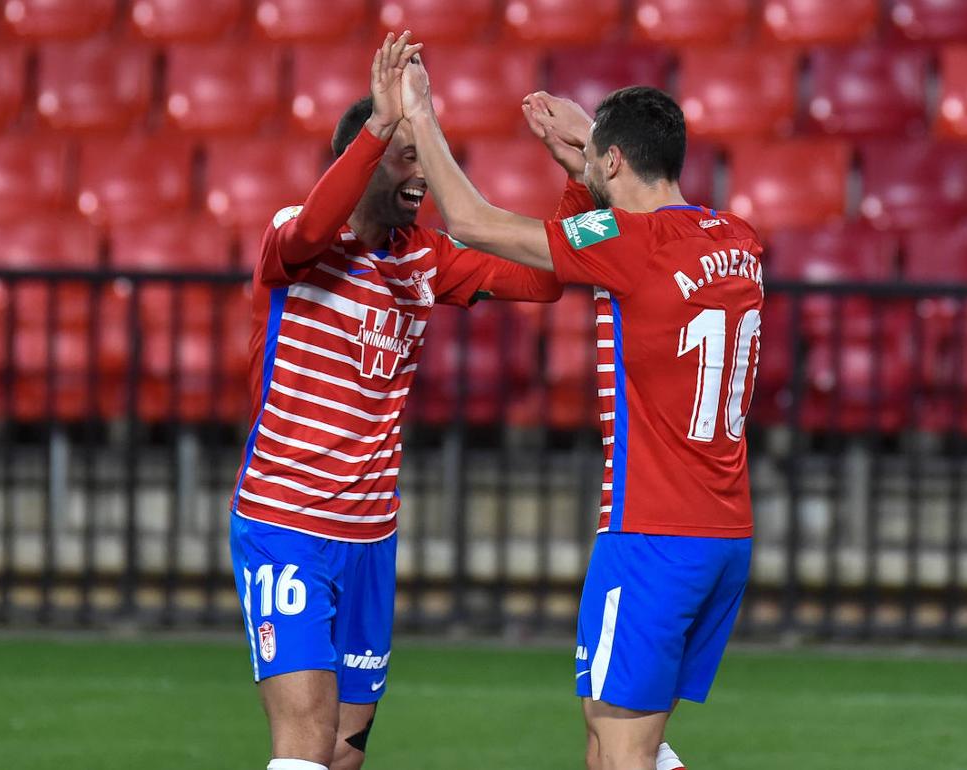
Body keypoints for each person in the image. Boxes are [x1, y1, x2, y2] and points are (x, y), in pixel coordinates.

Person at [228, 31, 587, 770]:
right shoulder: (299, 243)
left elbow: (545, 279)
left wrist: (576, 183)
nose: (424, 172)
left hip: (371, 539)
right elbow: (315, 224)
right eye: (409, 156)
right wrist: (380, 126)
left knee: (344, 752)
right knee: (303, 739)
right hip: (287, 523)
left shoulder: (427, 258)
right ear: (363, 159)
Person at [401, 55, 764, 770]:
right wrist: (581, 158)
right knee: (610, 740)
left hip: (652, 532)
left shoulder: (629, 247)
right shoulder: (739, 240)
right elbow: (627, 232)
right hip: (723, 528)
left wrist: (420, 118)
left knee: (625, 749)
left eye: (599, 154)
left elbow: (474, 224)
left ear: (618, 158)